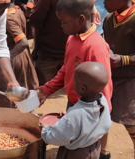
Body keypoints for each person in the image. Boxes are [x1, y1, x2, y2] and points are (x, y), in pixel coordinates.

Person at [37, 0, 113, 158]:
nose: (61, 26)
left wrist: (97, 114)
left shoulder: (95, 46)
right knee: (69, 147)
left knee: (82, 148)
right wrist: (46, 90)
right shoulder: (72, 38)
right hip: (76, 106)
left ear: (80, 19)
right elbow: (66, 69)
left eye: (64, 22)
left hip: (89, 112)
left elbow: (103, 87)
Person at [39, 62, 112, 159]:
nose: (72, 81)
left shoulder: (75, 115)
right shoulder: (102, 101)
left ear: (82, 88)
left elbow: (58, 137)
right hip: (93, 148)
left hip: (75, 153)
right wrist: (70, 116)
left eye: (75, 80)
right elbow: (100, 122)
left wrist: (46, 130)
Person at [0, 0, 39, 108]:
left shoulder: (8, 17)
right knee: (21, 98)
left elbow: (23, 42)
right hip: (23, 56)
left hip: (13, 57)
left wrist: (8, 59)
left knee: (8, 99)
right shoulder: (18, 11)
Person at [103, 0, 135, 158]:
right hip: (109, 78)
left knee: (130, 122)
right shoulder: (109, 19)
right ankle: (103, 152)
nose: (104, 2)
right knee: (102, 117)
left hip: (130, 79)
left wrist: (123, 60)